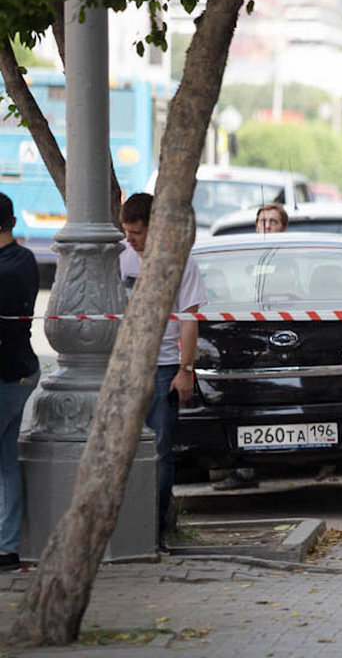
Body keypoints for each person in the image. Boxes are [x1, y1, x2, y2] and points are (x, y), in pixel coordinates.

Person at [119, 193, 207, 550]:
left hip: (165, 365)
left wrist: (185, 369)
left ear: (155, 230)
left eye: (137, 232)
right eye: (126, 231)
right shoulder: (120, 258)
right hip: (127, 367)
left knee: (159, 450)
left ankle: (153, 532)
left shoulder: (180, 263)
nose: (130, 239)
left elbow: (189, 319)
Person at [212, 201, 291, 491]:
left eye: (273, 222)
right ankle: (244, 468)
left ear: (284, 227)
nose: (266, 227)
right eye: (262, 222)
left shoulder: (291, 259)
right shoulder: (245, 259)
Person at [0, 192, 39, 569]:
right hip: (21, 372)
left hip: (7, 376)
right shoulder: (24, 260)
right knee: (7, 461)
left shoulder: (6, 269)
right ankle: (7, 545)